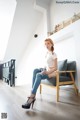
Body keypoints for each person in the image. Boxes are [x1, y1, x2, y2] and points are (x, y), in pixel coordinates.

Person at [22, 38, 57, 109]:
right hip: (45, 70)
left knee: (38, 75)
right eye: (45, 44)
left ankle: (32, 96)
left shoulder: (54, 54)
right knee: (35, 70)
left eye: (48, 43)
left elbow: (55, 68)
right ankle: (33, 93)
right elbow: (47, 64)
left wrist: (46, 72)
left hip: (52, 72)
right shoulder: (47, 53)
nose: (46, 45)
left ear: (51, 44)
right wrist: (43, 69)